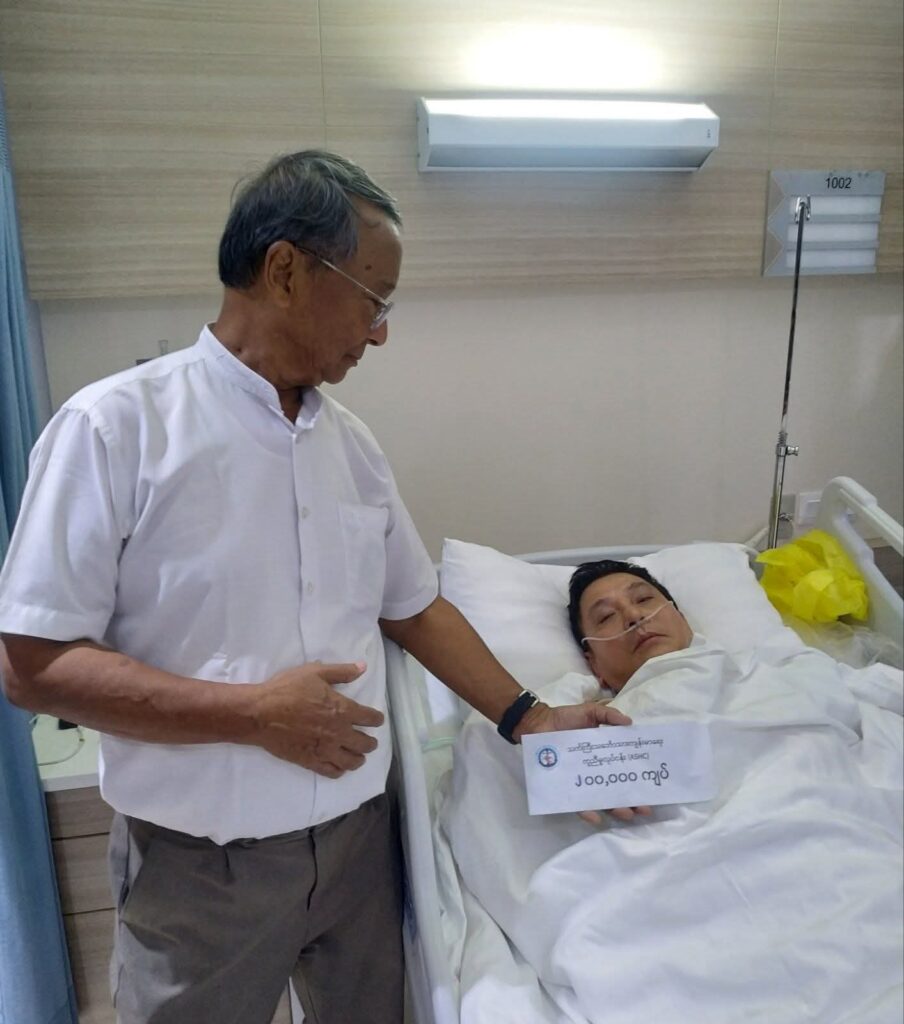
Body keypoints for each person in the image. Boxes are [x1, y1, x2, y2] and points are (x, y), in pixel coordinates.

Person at [0, 150, 633, 1024]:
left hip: (360, 849)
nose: (379, 333)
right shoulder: (114, 429)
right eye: (374, 300)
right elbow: (30, 664)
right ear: (286, 270)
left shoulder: (352, 446)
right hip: (202, 873)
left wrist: (531, 718)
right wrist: (253, 715)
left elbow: (414, 607)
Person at [568, 559, 694, 693]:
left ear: (681, 617)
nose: (634, 615)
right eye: (607, 616)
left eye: (643, 599)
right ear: (594, 665)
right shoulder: (569, 702)